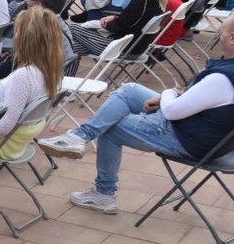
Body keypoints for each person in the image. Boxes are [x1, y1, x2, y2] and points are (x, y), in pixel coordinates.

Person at [38, 13, 234, 215]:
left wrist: (169, 94)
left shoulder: (221, 79)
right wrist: (170, 98)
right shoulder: (225, 77)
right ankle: (78, 137)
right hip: (210, 136)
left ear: (232, 38)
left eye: (220, 33)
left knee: (111, 127)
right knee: (130, 90)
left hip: (187, 136)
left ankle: (104, 193)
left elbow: (173, 111)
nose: (218, 38)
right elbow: (206, 100)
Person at [0, 7, 63, 159]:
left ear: (26, 39)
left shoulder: (24, 76)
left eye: (17, 32)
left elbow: (5, 127)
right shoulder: (50, 69)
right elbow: (20, 101)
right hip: (16, 143)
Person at [0, 0, 75, 81]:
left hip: (42, 87)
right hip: (54, 83)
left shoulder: (41, 30)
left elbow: (15, 65)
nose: (25, 1)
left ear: (38, 5)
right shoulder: (59, 24)